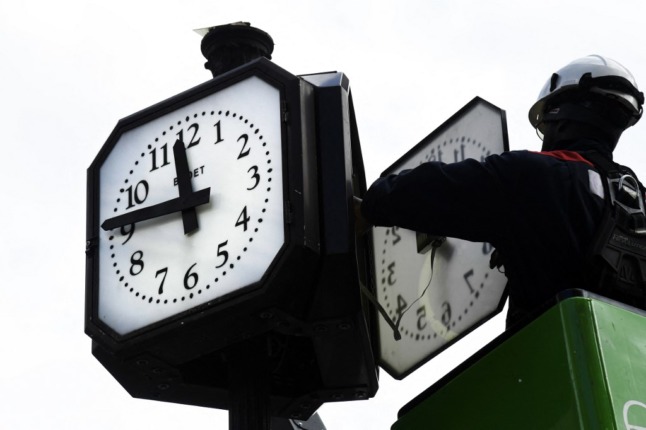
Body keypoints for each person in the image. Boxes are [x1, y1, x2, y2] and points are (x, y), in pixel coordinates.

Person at [358, 55, 646, 326]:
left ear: (561, 118)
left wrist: (370, 202)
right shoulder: (638, 199)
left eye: (545, 126)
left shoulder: (535, 175)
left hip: (550, 364)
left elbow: (428, 190)